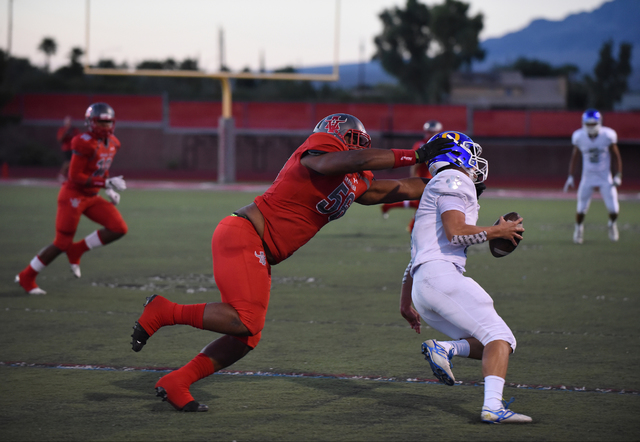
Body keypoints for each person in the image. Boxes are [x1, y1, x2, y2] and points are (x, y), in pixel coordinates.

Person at [130, 113, 453, 412]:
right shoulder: (320, 148)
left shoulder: (354, 177)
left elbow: (392, 188)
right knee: (244, 320)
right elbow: (355, 159)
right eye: (355, 138)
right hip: (245, 234)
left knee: (247, 337)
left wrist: (454, 184)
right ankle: (164, 311)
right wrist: (419, 155)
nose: (360, 145)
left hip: (258, 245)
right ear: (339, 134)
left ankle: (178, 380)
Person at [399, 131, 532, 424]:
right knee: (501, 337)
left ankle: (445, 348)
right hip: (441, 277)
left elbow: (417, 257)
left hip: (425, 287)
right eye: (470, 152)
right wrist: (499, 231)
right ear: (456, 154)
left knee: (489, 344)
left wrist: (407, 304)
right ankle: (493, 407)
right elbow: (456, 232)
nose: (475, 161)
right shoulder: (454, 179)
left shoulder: (438, 185)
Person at [15, 103, 128, 295]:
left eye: (108, 122)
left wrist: (108, 189)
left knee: (118, 228)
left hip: (92, 196)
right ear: (90, 123)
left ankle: (77, 250)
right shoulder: (83, 142)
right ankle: (27, 276)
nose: (105, 126)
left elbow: (102, 169)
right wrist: (106, 184)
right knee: (61, 243)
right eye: (100, 122)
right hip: (73, 196)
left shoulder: (114, 142)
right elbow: (75, 176)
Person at [563, 109, 622, 244]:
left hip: (605, 177)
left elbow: (616, 155)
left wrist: (618, 174)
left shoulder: (607, 135)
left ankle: (612, 224)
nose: (590, 127)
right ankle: (578, 229)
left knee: (613, 209)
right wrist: (570, 176)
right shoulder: (579, 137)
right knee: (581, 209)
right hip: (587, 177)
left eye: (592, 124)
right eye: (588, 124)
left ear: (599, 123)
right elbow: (575, 156)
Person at [381, 120, 443, 232]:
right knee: (425, 205)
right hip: (424, 179)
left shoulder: (440, 145)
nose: (432, 134)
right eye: (430, 132)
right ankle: (412, 226)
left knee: (422, 205)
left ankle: (390, 207)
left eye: (434, 132)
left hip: (433, 179)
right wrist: (414, 178)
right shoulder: (421, 144)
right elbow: (416, 164)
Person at [56, 115, 80, 182]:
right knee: (68, 162)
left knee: (73, 162)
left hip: (74, 148)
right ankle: (62, 174)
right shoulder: (62, 129)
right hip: (66, 148)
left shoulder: (74, 130)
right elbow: (60, 139)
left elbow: (78, 138)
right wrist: (65, 133)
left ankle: (69, 175)